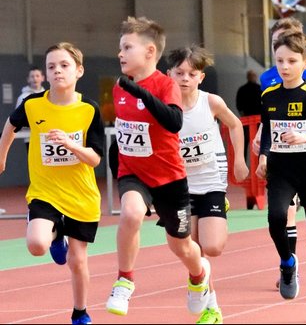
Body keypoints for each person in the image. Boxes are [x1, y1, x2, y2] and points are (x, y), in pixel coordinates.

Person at [106, 17, 211, 318]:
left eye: (127, 47)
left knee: (182, 247)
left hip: (169, 179)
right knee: (131, 213)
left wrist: (140, 92)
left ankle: (198, 276)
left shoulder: (166, 85)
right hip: (133, 173)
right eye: (120, 48)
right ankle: (124, 281)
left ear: (150, 51)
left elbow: (174, 122)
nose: (120, 53)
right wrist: (118, 171)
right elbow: (123, 134)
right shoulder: (119, 88)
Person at [0, 42, 104, 325]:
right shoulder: (33, 105)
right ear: (45, 74)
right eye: (51, 66)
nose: (57, 70)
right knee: (36, 244)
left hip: (81, 196)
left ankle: (80, 313)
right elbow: (10, 125)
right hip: (45, 191)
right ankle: (56, 236)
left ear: (79, 71)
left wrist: (71, 144)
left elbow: (95, 159)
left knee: (77, 260)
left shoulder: (89, 110)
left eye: (64, 65)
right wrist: (2, 156)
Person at [256, 31, 306, 321]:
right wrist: (263, 155)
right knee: (276, 218)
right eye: (279, 60)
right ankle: (287, 262)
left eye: (291, 61)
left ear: (305, 63)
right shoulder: (268, 95)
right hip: (281, 172)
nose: (284, 66)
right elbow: (268, 132)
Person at [167, 45, 249, 324]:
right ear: (169, 74)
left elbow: (235, 125)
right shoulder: (165, 107)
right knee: (193, 249)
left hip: (211, 180)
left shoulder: (210, 102)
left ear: (201, 77)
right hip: (181, 185)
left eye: (191, 74)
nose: (185, 79)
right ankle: (211, 308)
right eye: (180, 73)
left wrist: (239, 160)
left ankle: (218, 208)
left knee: (212, 247)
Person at [253, 17, 306, 275]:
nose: (279, 43)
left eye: (285, 38)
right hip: (282, 153)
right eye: (275, 40)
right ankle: (290, 266)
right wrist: (261, 135)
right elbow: (269, 113)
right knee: (285, 213)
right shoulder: (267, 77)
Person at [236, 69, 261, 208]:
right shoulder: (259, 89)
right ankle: (257, 166)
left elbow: (238, 105)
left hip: (246, 121)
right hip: (257, 122)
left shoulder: (242, 89)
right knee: (258, 144)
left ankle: (248, 167)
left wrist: (244, 114)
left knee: (246, 144)